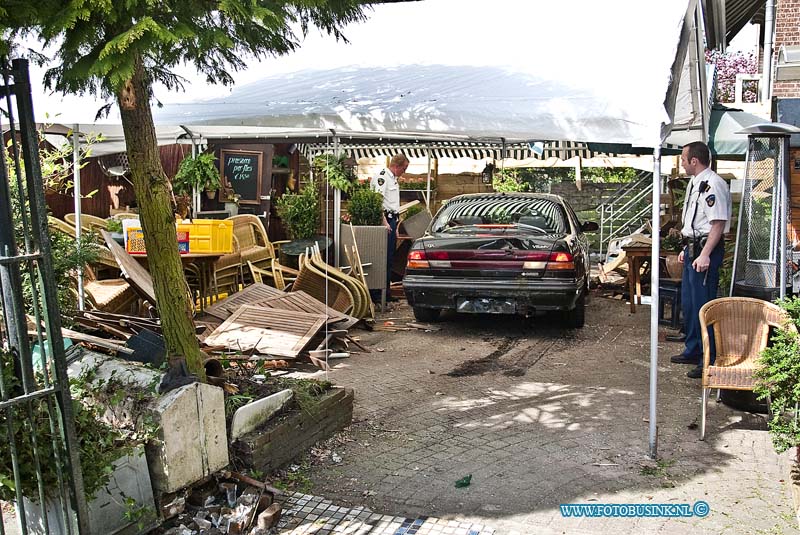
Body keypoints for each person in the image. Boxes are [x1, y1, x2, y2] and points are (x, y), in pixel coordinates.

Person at [670, 141, 731, 379]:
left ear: (694, 161)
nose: (682, 163)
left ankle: (709, 357)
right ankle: (694, 349)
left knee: (704, 304)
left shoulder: (712, 184)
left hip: (706, 249)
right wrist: (688, 247)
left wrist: (705, 253)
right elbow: (695, 221)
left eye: (683, 159)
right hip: (694, 247)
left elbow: (717, 223)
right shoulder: (696, 183)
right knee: (690, 303)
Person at [369, 154, 409, 301]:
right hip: (384, 221)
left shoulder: (393, 179)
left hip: (392, 220)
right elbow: (377, 201)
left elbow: (393, 205)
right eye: (404, 169)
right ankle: (377, 293)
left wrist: (396, 225)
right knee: (381, 258)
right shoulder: (382, 177)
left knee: (389, 258)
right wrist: (384, 222)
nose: (404, 171)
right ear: (396, 166)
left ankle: (386, 292)